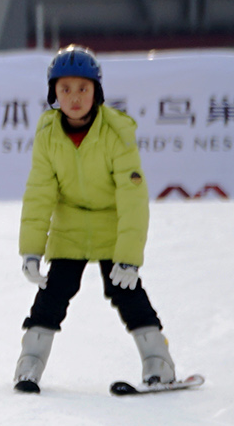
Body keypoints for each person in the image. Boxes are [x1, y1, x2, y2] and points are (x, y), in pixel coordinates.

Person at [14, 45, 179, 391]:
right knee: (53, 294)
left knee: (126, 291)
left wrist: (129, 257)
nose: (74, 98)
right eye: (65, 89)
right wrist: (31, 250)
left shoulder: (117, 132)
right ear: (54, 93)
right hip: (69, 229)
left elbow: (132, 198)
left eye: (83, 88)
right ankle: (29, 364)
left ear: (97, 91)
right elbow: (40, 193)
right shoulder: (48, 135)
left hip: (112, 227)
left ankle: (158, 363)